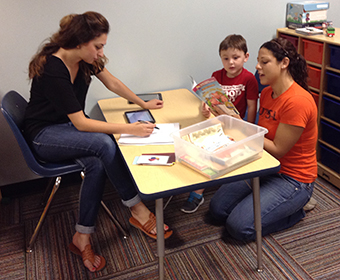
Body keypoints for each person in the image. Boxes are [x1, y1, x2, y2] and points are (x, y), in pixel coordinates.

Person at [23, 11, 172, 272]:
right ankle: (137, 209)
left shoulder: (86, 59)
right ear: (80, 42)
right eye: (98, 46)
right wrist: (129, 129)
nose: (101, 52)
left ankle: (82, 236)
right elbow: (81, 123)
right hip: (44, 136)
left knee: (96, 163)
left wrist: (142, 103)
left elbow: (112, 82)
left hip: (65, 128)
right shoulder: (53, 68)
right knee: (105, 144)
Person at [208, 37, 317, 241]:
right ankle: (269, 205)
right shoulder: (267, 93)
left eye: (264, 62)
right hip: (265, 165)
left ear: (284, 63)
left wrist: (239, 126)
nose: (257, 66)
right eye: (258, 61)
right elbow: (260, 133)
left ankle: (297, 209)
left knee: (238, 228)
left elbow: (277, 149)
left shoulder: (298, 101)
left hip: (292, 177)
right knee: (217, 210)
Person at [181, 34, 259, 214]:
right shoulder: (216, 76)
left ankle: (197, 193)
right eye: (226, 58)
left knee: (217, 153)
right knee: (199, 148)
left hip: (237, 126)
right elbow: (209, 101)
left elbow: (252, 106)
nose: (231, 62)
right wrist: (205, 109)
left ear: (246, 57)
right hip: (217, 123)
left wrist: (249, 129)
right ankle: (197, 191)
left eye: (236, 57)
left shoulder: (249, 79)